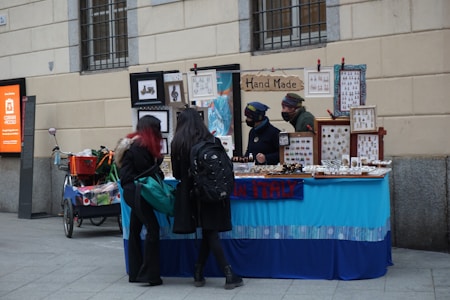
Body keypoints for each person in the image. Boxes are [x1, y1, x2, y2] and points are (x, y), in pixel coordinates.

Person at [170, 107, 244, 290]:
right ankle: (228, 274)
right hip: (211, 191)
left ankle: (198, 271)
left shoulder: (178, 142)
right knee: (211, 231)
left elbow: (177, 173)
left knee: (208, 232)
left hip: (191, 194)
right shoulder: (211, 140)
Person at [119, 115, 164, 286]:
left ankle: (136, 272)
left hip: (133, 192)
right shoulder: (139, 146)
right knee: (153, 228)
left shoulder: (134, 143)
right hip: (137, 192)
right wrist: (157, 163)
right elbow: (147, 172)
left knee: (135, 229)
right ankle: (150, 274)